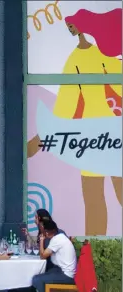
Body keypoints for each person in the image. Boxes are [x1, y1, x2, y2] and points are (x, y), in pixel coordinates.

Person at [27, 9, 122, 236]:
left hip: (103, 133)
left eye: (71, 24)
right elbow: (67, 105)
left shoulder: (100, 55)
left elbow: (117, 85)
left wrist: (38, 140)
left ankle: (95, 247)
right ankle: (95, 246)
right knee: (94, 197)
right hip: (97, 134)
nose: (69, 28)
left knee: (105, 194)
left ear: (81, 26)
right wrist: (40, 138)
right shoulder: (76, 59)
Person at [32, 220, 77, 292]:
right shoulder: (60, 237)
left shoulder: (56, 240)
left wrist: (42, 241)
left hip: (66, 275)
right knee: (44, 273)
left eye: (43, 230)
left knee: (36, 279)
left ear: (47, 232)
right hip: (64, 271)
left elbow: (43, 255)